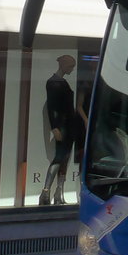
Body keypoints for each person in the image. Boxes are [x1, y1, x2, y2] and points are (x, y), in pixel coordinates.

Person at [42, 54, 84, 205]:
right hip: (62, 127)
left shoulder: (62, 82)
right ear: (64, 65)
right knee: (58, 158)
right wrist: (54, 127)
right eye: (71, 66)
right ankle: (45, 192)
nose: (72, 69)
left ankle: (58, 193)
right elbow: (52, 107)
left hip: (69, 126)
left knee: (64, 160)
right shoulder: (53, 83)